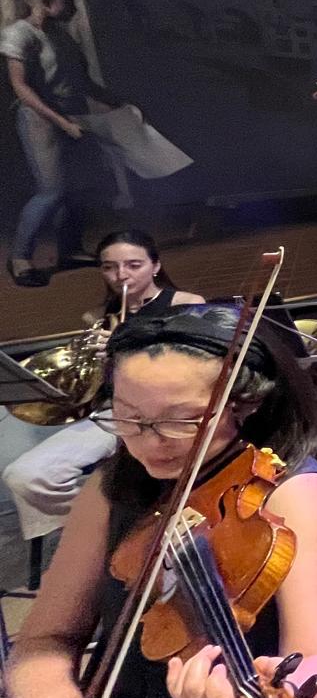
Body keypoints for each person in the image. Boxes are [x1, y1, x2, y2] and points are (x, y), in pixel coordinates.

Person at [2, 304, 317, 698]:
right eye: (129, 417)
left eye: (181, 420)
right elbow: (45, 639)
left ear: (245, 404)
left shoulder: (288, 490)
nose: (149, 441)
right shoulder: (110, 489)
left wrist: (267, 694)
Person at [4, 229, 207, 541]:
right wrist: (89, 368)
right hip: (112, 413)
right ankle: (101, 529)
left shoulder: (187, 303)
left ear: (155, 266)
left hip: (170, 412)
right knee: (24, 476)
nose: (120, 275)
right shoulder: (97, 317)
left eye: (133, 265)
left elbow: (194, 366)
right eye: (109, 267)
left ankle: (133, 525)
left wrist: (127, 344)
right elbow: (98, 384)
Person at [3, 0, 128, 287]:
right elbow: (21, 88)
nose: (72, 6)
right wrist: (62, 122)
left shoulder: (60, 35)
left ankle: (69, 250)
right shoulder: (19, 34)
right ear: (47, 2)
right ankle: (20, 258)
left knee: (73, 189)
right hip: (41, 119)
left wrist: (116, 102)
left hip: (73, 115)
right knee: (52, 190)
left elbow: (81, 81)